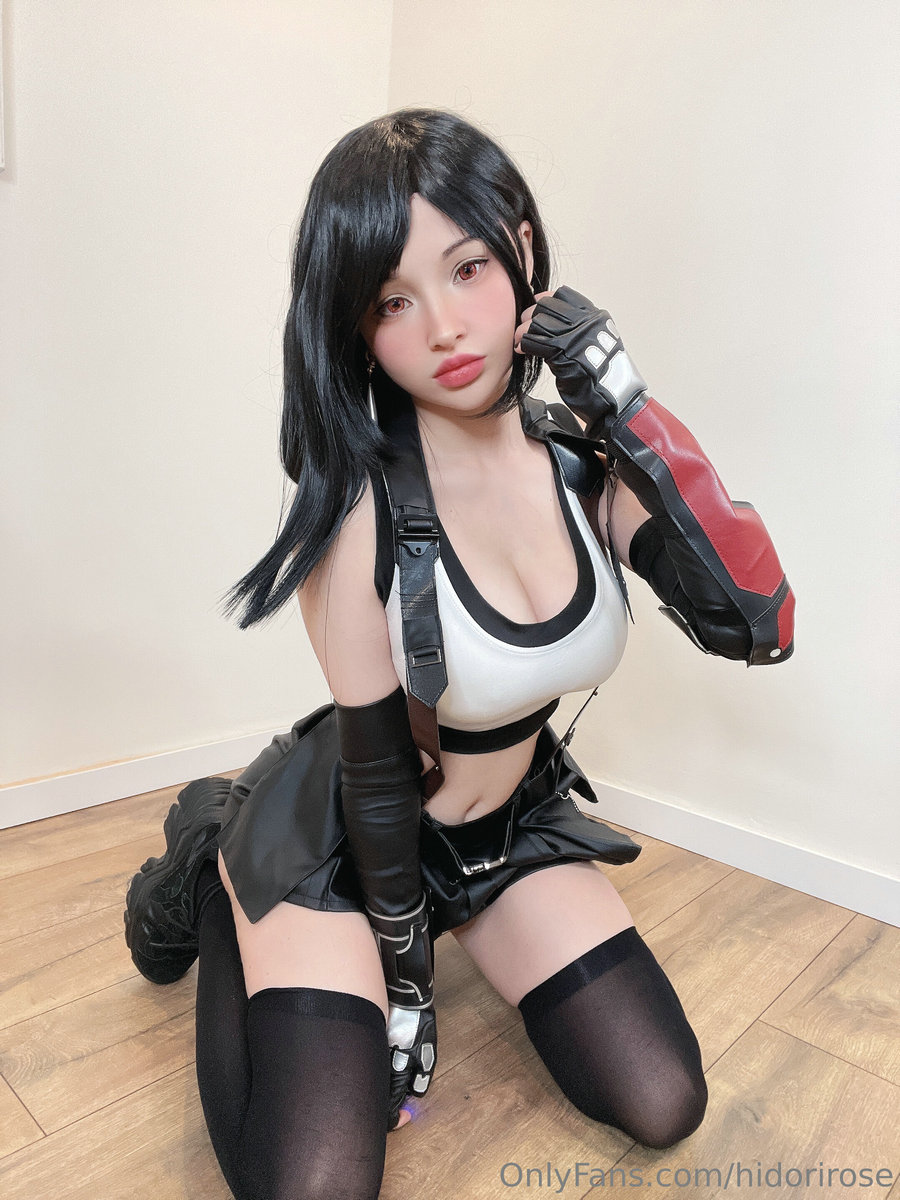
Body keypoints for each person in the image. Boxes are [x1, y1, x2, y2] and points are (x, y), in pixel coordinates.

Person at [124, 108, 794, 1200]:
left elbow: (756, 624)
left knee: (665, 1097)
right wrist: (407, 978)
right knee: (321, 1183)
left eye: (469, 267)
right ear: (357, 329)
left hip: (502, 831)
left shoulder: (587, 470)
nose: (444, 326)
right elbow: (377, 776)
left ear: (522, 251)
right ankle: (215, 850)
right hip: (349, 841)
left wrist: (628, 408)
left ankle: (417, 912)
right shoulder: (359, 511)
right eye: (393, 300)